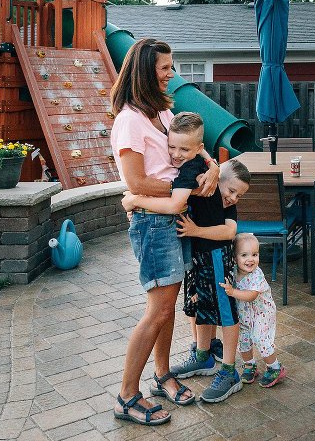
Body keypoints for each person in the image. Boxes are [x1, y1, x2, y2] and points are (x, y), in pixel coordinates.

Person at [110, 38, 219, 426]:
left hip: (172, 221)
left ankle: (162, 374)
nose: (171, 74)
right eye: (165, 68)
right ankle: (126, 395)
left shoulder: (164, 113)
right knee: (157, 311)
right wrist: (182, 187)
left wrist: (213, 167)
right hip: (153, 224)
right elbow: (136, 180)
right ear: (144, 71)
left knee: (168, 306)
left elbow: (194, 147)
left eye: (171, 66)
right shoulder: (129, 121)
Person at [123, 121, 252, 403]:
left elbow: (229, 231)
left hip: (217, 256)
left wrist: (134, 200)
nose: (231, 198)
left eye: (237, 195)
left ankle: (229, 371)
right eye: (229, 191)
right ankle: (203, 356)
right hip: (198, 256)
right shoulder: (201, 178)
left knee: (226, 310)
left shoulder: (206, 184)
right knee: (201, 306)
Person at [220, 233, 287, 388]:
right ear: (235, 258)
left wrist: (232, 292)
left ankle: (275, 368)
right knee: (243, 340)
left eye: (255, 254)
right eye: (244, 255)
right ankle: (249, 366)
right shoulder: (234, 272)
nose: (250, 259)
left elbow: (251, 296)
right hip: (245, 313)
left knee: (260, 338)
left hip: (262, 313)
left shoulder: (257, 275)